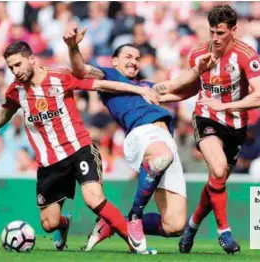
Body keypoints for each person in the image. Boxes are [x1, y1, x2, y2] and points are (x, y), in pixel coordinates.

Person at [0, 41, 159, 254]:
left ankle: (136, 246)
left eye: (18, 64)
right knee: (49, 224)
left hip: (80, 149)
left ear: (31, 59)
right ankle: (64, 224)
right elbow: (5, 112)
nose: (15, 71)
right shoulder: (16, 91)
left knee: (93, 199)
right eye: (11, 67)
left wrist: (138, 90)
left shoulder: (60, 77)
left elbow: (102, 85)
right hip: (50, 163)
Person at [63, 25, 210, 252]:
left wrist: (200, 71)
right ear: (115, 61)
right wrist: (73, 47)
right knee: (162, 156)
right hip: (142, 134)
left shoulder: (147, 85)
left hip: (164, 141)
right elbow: (81, 70)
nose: (134, 61)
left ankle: (112, 222)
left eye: (138, 58)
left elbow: (177, 90)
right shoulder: (109, 76)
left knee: (174, 225)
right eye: (128, 56)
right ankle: (134, 216)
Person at [155, 5, 260, 254]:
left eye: (220, 32)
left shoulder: (247, 55)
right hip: (206, 117)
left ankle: (192, 227)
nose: (215, 38)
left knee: (216, 181)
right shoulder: (198, 55)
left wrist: (227, 104)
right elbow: (194, 88)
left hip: (236, 125)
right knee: (217, 169)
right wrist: (168, 97)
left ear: (234, 30)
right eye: (212, 32)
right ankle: (224, 232)